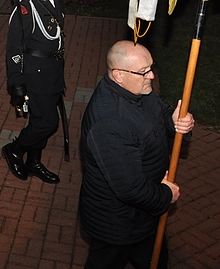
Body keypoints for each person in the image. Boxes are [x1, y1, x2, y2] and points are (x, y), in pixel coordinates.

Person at [79, 40, 195, 269]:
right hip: (116, 225)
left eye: (151, 67)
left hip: (142, 216)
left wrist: (175, 122)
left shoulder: (137, 89)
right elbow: (130, 188)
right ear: (119, 75)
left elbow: (159, 112)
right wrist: (165, 195)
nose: (151, 75)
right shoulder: (109, 123)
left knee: (156, 261)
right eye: (144, 71)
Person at [2, 0, 67, 184]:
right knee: (48, 123)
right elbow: (14, 49)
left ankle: (33, 161)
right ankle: (14, 150)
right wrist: (16, 83)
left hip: (53, 71)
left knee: (39, 119)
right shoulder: (26, 6)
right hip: (35, 74)